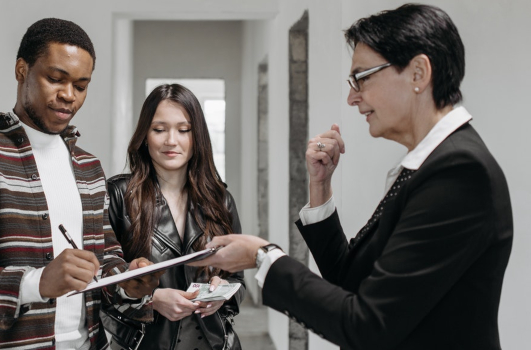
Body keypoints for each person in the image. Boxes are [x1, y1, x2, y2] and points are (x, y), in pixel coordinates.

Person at [190, 4, 512, 350]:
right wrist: (320, 186)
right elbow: (352, 280)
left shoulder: (459, 172)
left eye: (363, 77)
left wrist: (263, 256)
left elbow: (367, 325)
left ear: (418, 73)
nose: (352, 96)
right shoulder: (433, 163)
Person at [0, 18, 160, 350]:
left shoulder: (88, 167)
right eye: (55, 79)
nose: (68, 96)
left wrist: (127, 283)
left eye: (81, 85)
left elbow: (105, 259)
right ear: (21, 70)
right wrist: (37, 283)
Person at [105, 84, 246, 350]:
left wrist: (222, 293)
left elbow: (237, 280)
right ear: (145, 135)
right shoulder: (118, 195)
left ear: (198, 137)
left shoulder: (220, 199)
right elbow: (100, 284)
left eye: (184, 130)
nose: (172, 140)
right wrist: (151, 299)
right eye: (159, 129)